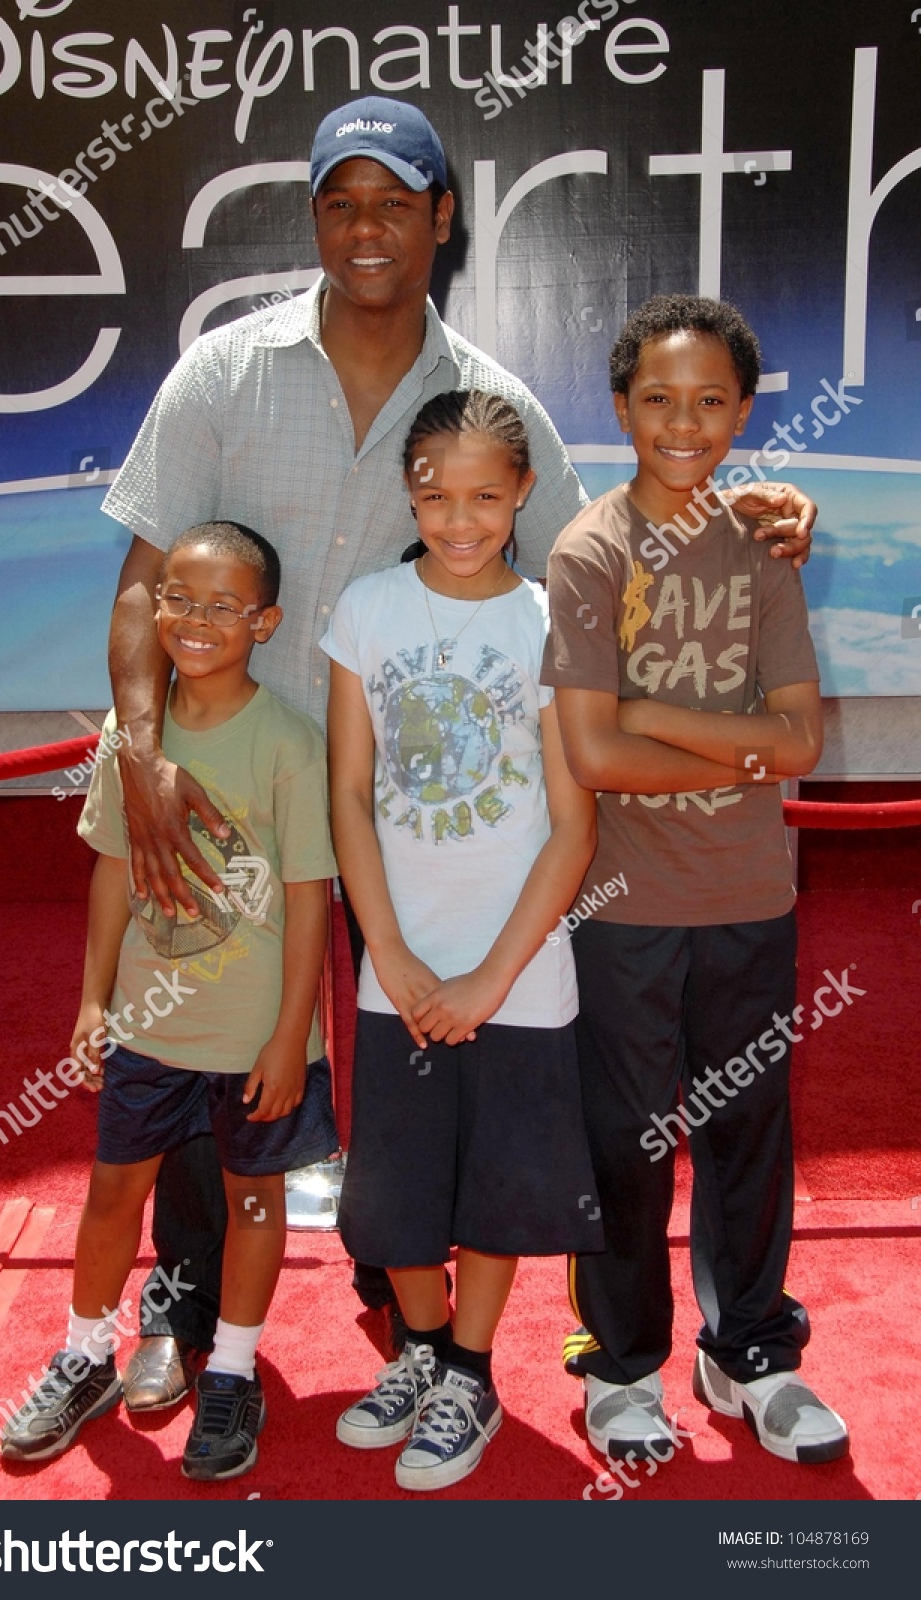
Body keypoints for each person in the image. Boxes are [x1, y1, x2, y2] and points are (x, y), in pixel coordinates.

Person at [99, 92, 818, 1407]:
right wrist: (145, 759)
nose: (365, 226)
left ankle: (415, 1311)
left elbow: (600, 560)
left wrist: (741, 510)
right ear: (314, 217)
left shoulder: (488, 401)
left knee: (422, 1058)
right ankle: (185, 1313)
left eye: (394, 200)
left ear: (442, 218)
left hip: (417, 817)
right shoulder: (221, 370)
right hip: (234, 798)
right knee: (205, 1055)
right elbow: (145, 586)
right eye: (338, 200)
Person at [542, 294, 849, 1468]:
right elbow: (593, 754)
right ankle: (620, 1366)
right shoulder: (590, 550)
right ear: (621, 410)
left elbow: (803, 743)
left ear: (741, 412)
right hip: (624, 911)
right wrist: (735, 738)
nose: (684, 422)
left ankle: (751, 1350)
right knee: (623, 1144)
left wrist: (651, 709)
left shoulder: (766, 548)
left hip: (749, 898)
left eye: (710, 401)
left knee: (748, 1133)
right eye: (659, 400)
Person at [0, 522, 338, 1480]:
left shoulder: (289, 743)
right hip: (150, 1026)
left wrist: (290, 1036)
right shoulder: (129, 737)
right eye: (177, 599)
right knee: (113, 1193)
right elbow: (112, 871)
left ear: (264, 621)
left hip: (252, 1037)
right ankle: (81, 1354)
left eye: (224, 605)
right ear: (152, 609)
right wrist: (91, 1001)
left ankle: (229, 1371)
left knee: (254, 1204)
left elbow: (310, 896)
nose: (195, 620)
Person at [322, 390, 602, 1491]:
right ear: (410, 493)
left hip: (521, 968)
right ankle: (423, 1350)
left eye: (486, 495)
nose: (461, 517)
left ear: (524, 492)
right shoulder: (367, 609)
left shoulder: (548, 619)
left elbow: (575, 825)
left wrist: (492, 974)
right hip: (402, 960)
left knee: (498, 1185)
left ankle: (473, 1376)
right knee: (393, 1192)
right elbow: (350, 793)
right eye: (436, 496)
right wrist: (387, 952)